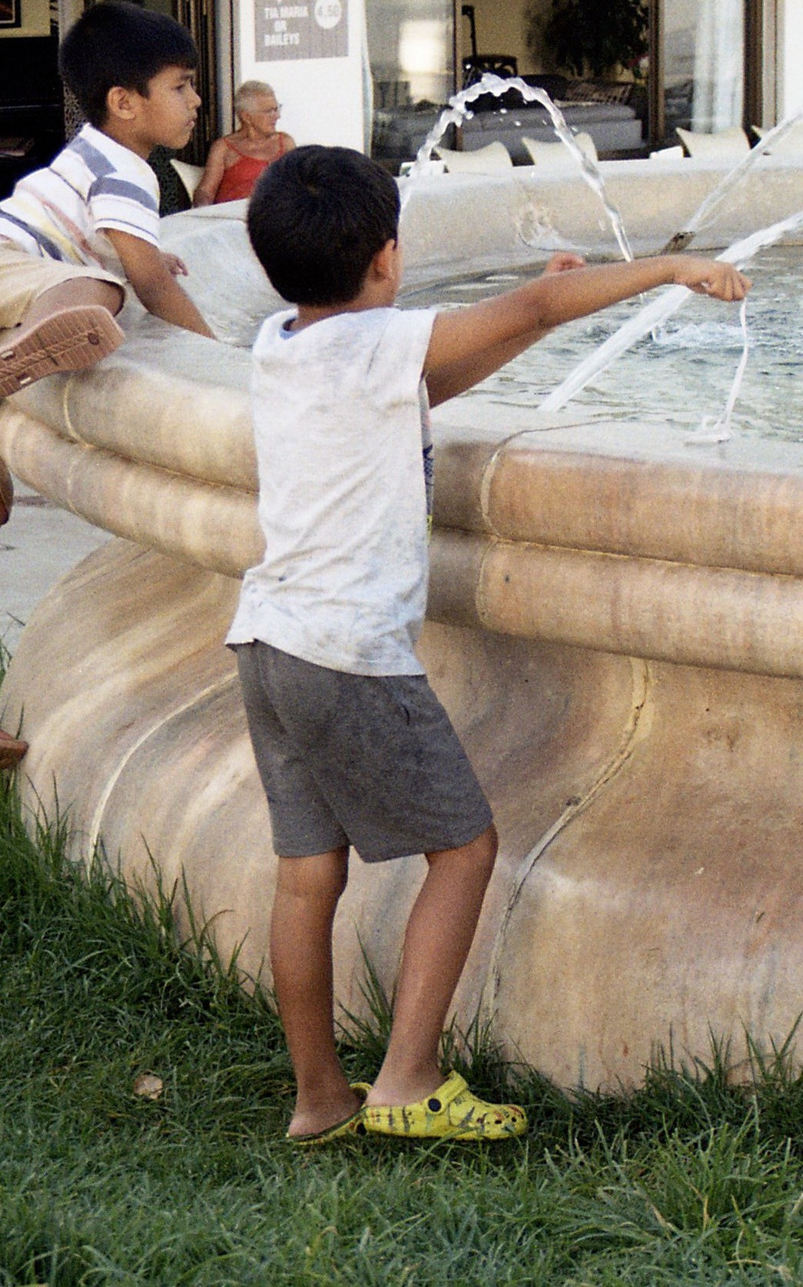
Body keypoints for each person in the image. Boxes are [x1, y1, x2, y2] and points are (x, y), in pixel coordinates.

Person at [230, 146, 747, 1144]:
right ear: (387, 257)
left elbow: (442, 372)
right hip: (346, 652)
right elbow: (525, 316)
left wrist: (540, 303)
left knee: (306, 873)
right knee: (465, 849)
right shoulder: (380, 345)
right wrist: (668, 269)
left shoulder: (281, 341)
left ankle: (317, 1098)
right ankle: (408, 1079)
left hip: (267, 641)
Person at [0, 1, 215, 771]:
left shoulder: (88, 157)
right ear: (124, 102)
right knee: (104, 294)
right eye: (182, 84)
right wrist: (224, 359)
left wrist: (148, 265)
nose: (196, 100)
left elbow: (130, 249)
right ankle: (40, 342)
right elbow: (143, 277)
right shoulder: (129, 165)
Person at [194, 80, 294, 205]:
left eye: (277, 109)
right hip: (234, 218)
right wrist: (203, 211)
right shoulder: (224, 147)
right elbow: (206, 191)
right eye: (269, 111)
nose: (277, 116)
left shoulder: (285, 142)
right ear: (247, 117)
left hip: (274, 216)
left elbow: (299, 185)